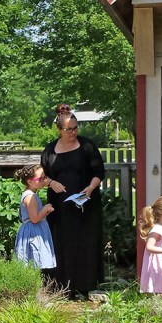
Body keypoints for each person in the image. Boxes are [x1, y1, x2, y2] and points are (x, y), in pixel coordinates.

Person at [41, 103, 106, 300]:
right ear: (59, 129)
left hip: (85, 206)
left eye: (76, 128)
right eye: (69, 129)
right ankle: (62, 287)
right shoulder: (50, 150)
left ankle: (86, 286)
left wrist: (90, 188)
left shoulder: (87, 146)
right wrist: (51, 183)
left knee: (86, 244)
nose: (73, 132)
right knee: (63, 245)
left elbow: (98, 172)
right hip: (60, 210)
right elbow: (42, 177)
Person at [13, 164, 56, 279]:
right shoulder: (30, 197)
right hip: (33, 232)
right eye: (40, 178)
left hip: (34, 230)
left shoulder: (31, 194)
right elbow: (34, 218)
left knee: (35, 262)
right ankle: (34, 285)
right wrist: (45, 209)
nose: (43, 180)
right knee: (34, 260)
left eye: (44, 177)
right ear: (30, 182)